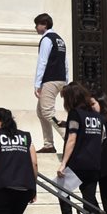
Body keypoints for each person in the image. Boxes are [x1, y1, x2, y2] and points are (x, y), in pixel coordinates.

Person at [56, 82, 103, 214]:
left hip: (78, 163)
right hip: (93, 164)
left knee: (60, 189)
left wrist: (63, 163)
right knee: (89, 203)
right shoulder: (96, 116)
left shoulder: (75, 114)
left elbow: (72, 139)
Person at [33, 13, 69, 154]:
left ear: (44, 25)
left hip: (50, 79)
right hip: (60, 78)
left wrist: (37, 84)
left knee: (47, 111)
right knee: (41, 112)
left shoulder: (47, 39)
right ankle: (49, 144)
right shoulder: (60, 40)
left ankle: (66, 135)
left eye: (37, 24)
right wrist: (65, 80)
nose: (36, 27)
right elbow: (65, 62)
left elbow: (42, 61)